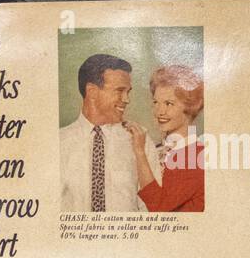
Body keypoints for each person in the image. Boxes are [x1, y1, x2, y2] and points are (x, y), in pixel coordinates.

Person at [59, 54, 153, 211]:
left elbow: (154, 208)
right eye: (120, 90)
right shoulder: (58, 143)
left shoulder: (140, 140)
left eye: (128, 92)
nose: (127, 99)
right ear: (92, 91)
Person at [126, 64, 205, 213]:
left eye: (169, 103)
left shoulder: (199, 156)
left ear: (190, 107)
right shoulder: (156, 150)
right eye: (156, 102)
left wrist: (140, 152)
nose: (159, 111)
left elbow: (159, 208)